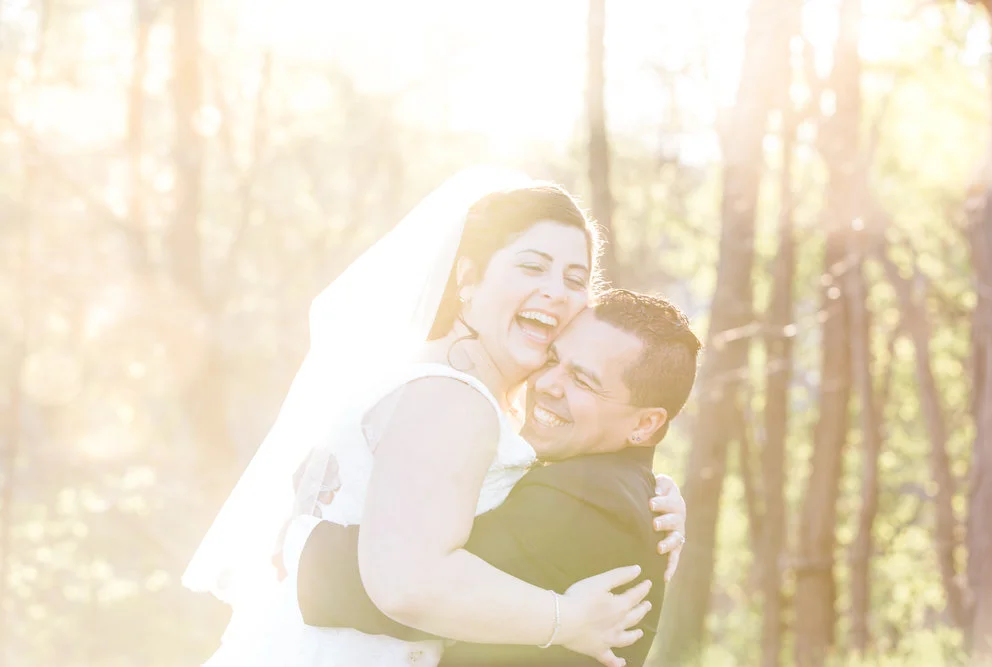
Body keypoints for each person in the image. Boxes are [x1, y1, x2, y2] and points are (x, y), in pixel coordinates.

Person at [183, 170, 682, 667]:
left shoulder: (455, 388)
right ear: (468, 277)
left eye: (575, 278)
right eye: (532, 267)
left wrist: (655, 493)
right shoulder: (451, 399)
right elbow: (406, 583)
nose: (556, 291)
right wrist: (567, 620)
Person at [290, 289, 702, 666]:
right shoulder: (610, 488)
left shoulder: (589, 504)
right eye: (555, 359)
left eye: (582, 380)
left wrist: (299, 535)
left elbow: (403, 582)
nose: (546, 383)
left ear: (646, 424)